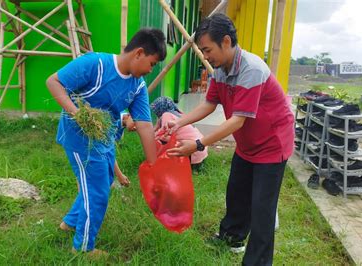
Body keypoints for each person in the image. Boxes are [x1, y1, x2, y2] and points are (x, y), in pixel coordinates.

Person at [166, 14, 294, 265]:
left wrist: (199, 144)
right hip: (248, 144)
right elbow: (210, 104)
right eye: (202, 51)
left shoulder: (252, 69)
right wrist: (178, 122)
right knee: (236, 193)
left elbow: (237, 120)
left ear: (226, 41)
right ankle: (232, 237)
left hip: (272, 143)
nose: (205, 56)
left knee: (261, 208)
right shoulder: (221, 70)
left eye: (207, 50)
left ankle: (256, 261)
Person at [46, 28, 166, 256]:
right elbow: (53, 82)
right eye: (151, 64)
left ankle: (69, 223)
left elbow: (144, 125)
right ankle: (82, 248)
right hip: (79, 139)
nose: (150, 71)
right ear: (139, 53)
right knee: (99, 190)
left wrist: (155, 166)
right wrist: (78, 114)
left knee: (102, 181)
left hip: (104, 138)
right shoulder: (95, 64)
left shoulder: (137, 86)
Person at [150, 96, 208, 170]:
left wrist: (153, 137)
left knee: (161, 141)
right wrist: (157, 126)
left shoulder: (166, 115)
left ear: (159, 109)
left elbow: (165, 136)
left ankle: (164, 164)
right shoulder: (178, 114)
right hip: (201, 149)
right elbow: (157, 129)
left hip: (193, 152)